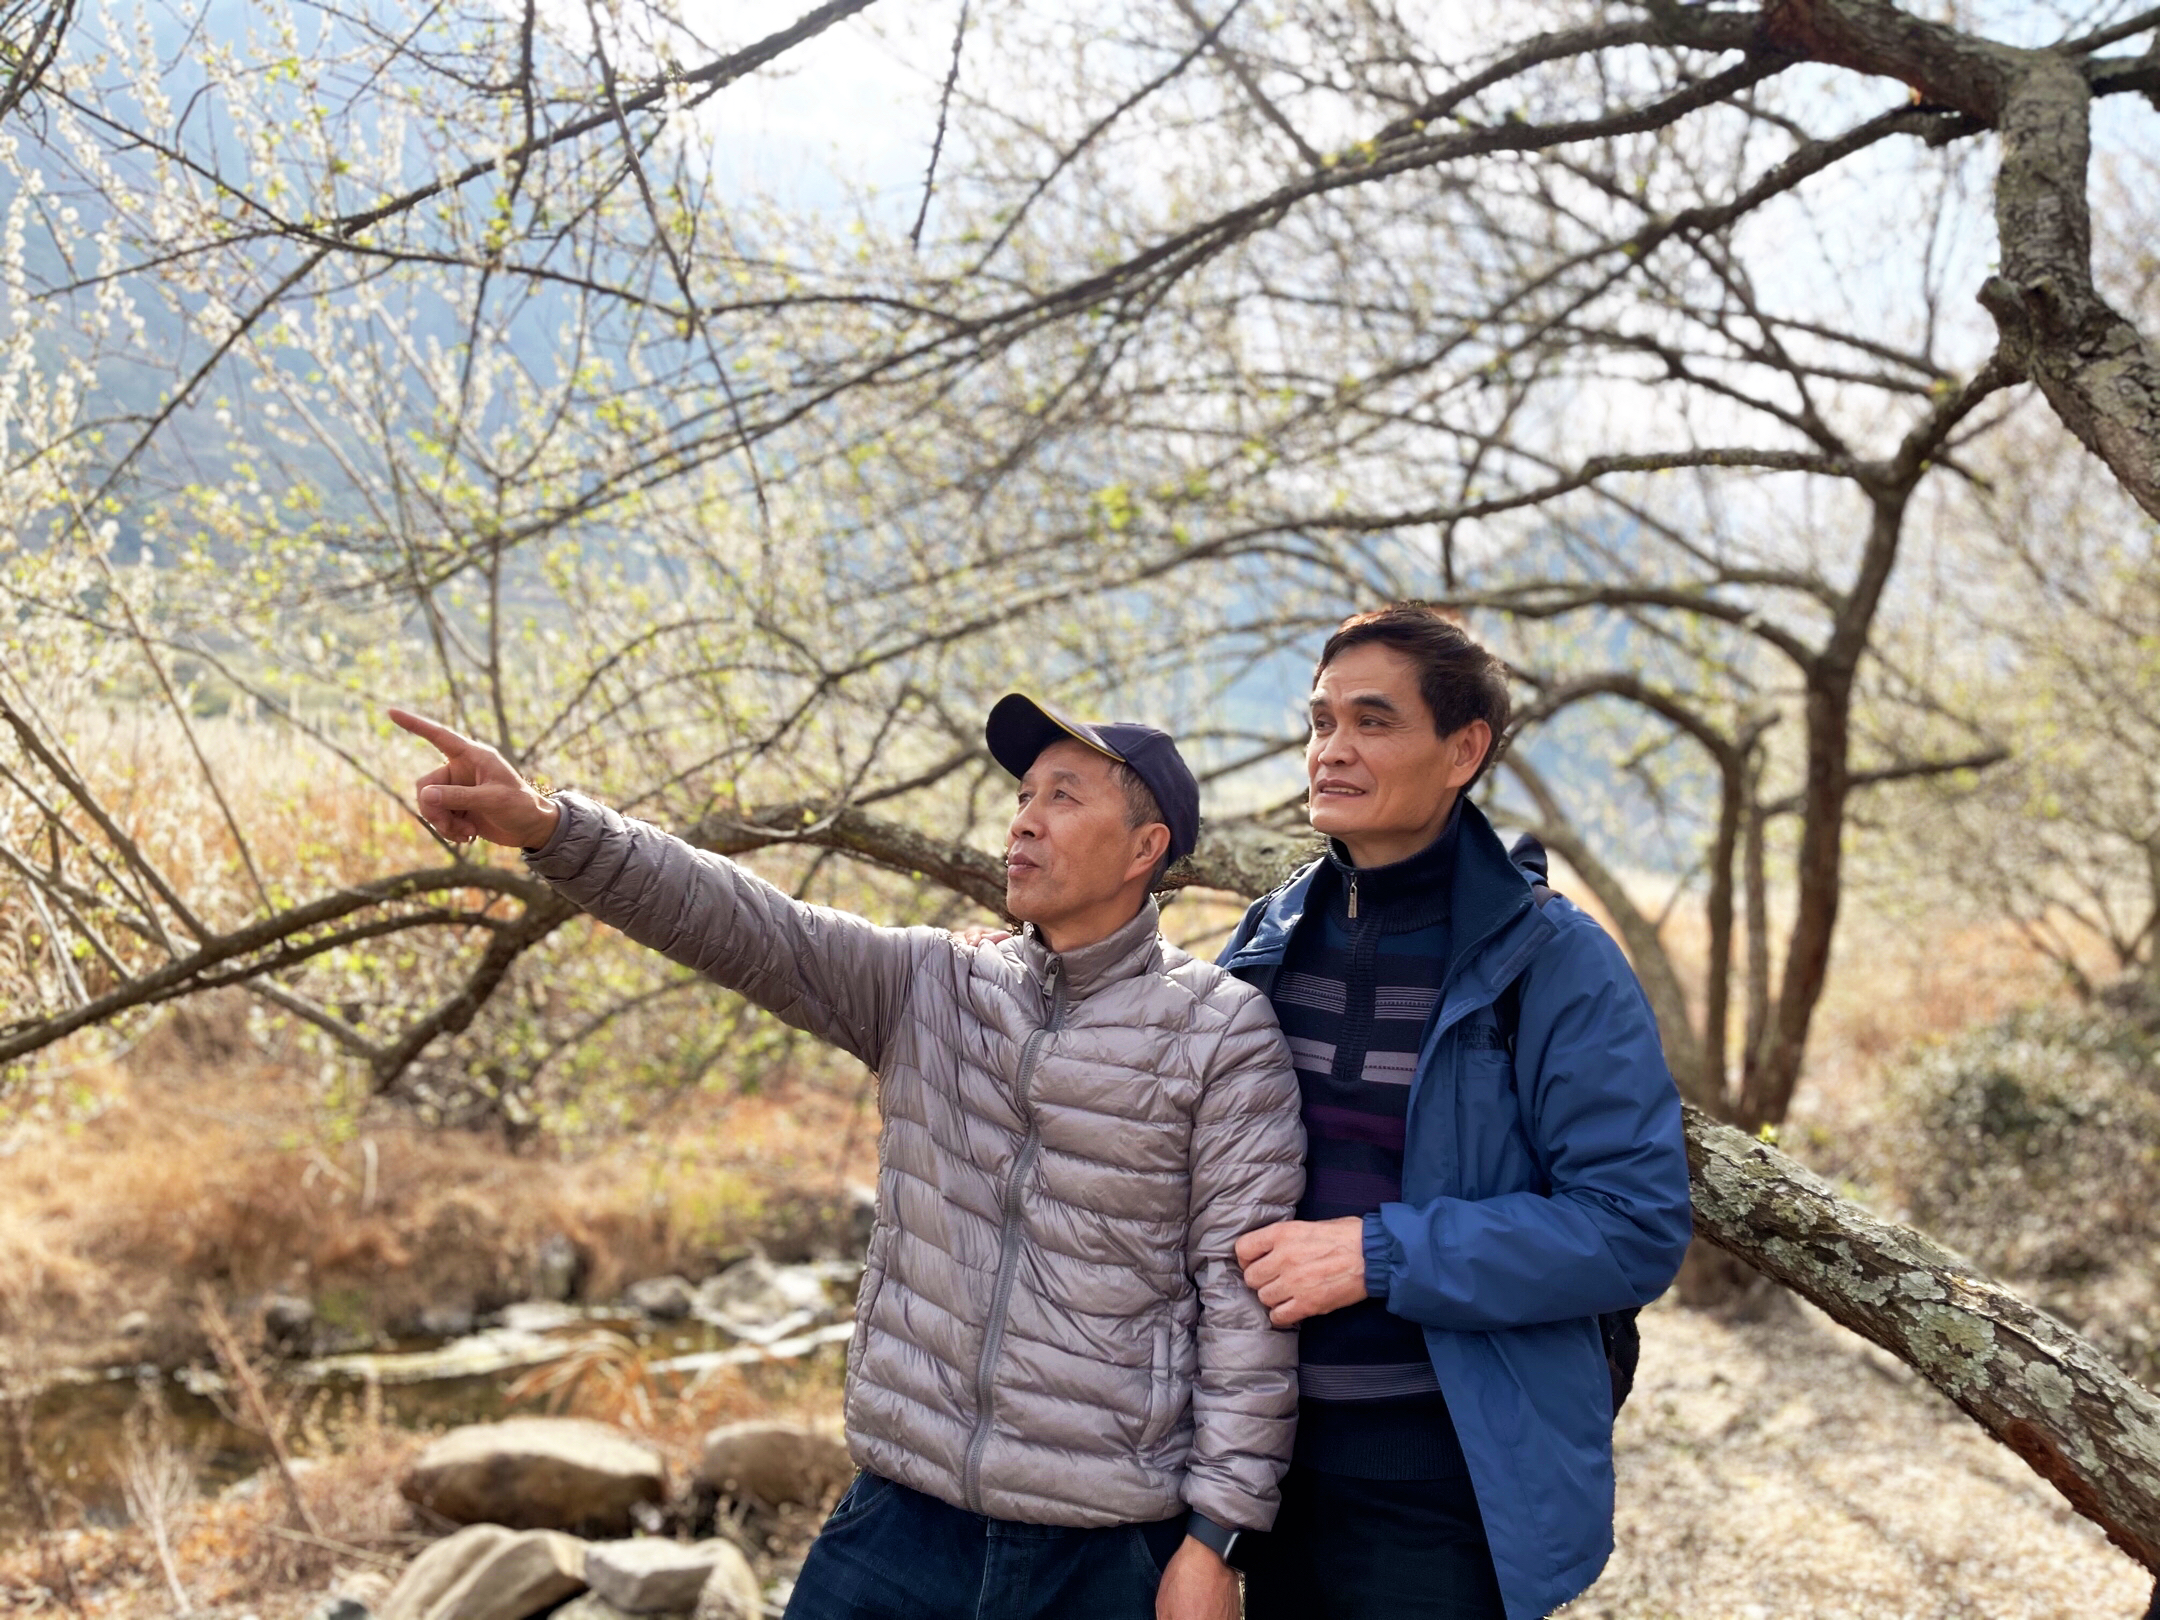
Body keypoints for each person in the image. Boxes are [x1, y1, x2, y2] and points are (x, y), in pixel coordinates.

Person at [389, 695, 1305, 1620]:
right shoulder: (935, 982)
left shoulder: (1220, 1035)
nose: (1024, 818)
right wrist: (548, 824)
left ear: (1146, 850)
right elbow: (740, 919)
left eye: (1064, 798)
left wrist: (1215, 1540)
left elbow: (1246, 1310)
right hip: (899, 1524)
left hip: (1103, 1551)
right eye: (1024, 794)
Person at [1219, 605, 1692, 1620]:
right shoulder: (1267, 939)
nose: (1331, 751)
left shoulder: (1553, 962)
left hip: (1443, 1481)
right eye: (1319, 722)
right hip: (1250, 1469)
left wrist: (1376, 1254)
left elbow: (1633, 1224)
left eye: (1373, 723)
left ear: (1462, 750)